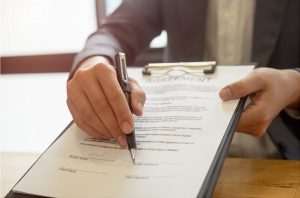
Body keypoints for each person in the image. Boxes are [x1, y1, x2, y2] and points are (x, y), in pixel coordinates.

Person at [67, 0, 300, 159]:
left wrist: (294, 87)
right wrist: (93, 62)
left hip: (282, 159)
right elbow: (115, 31)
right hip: (175, 158)